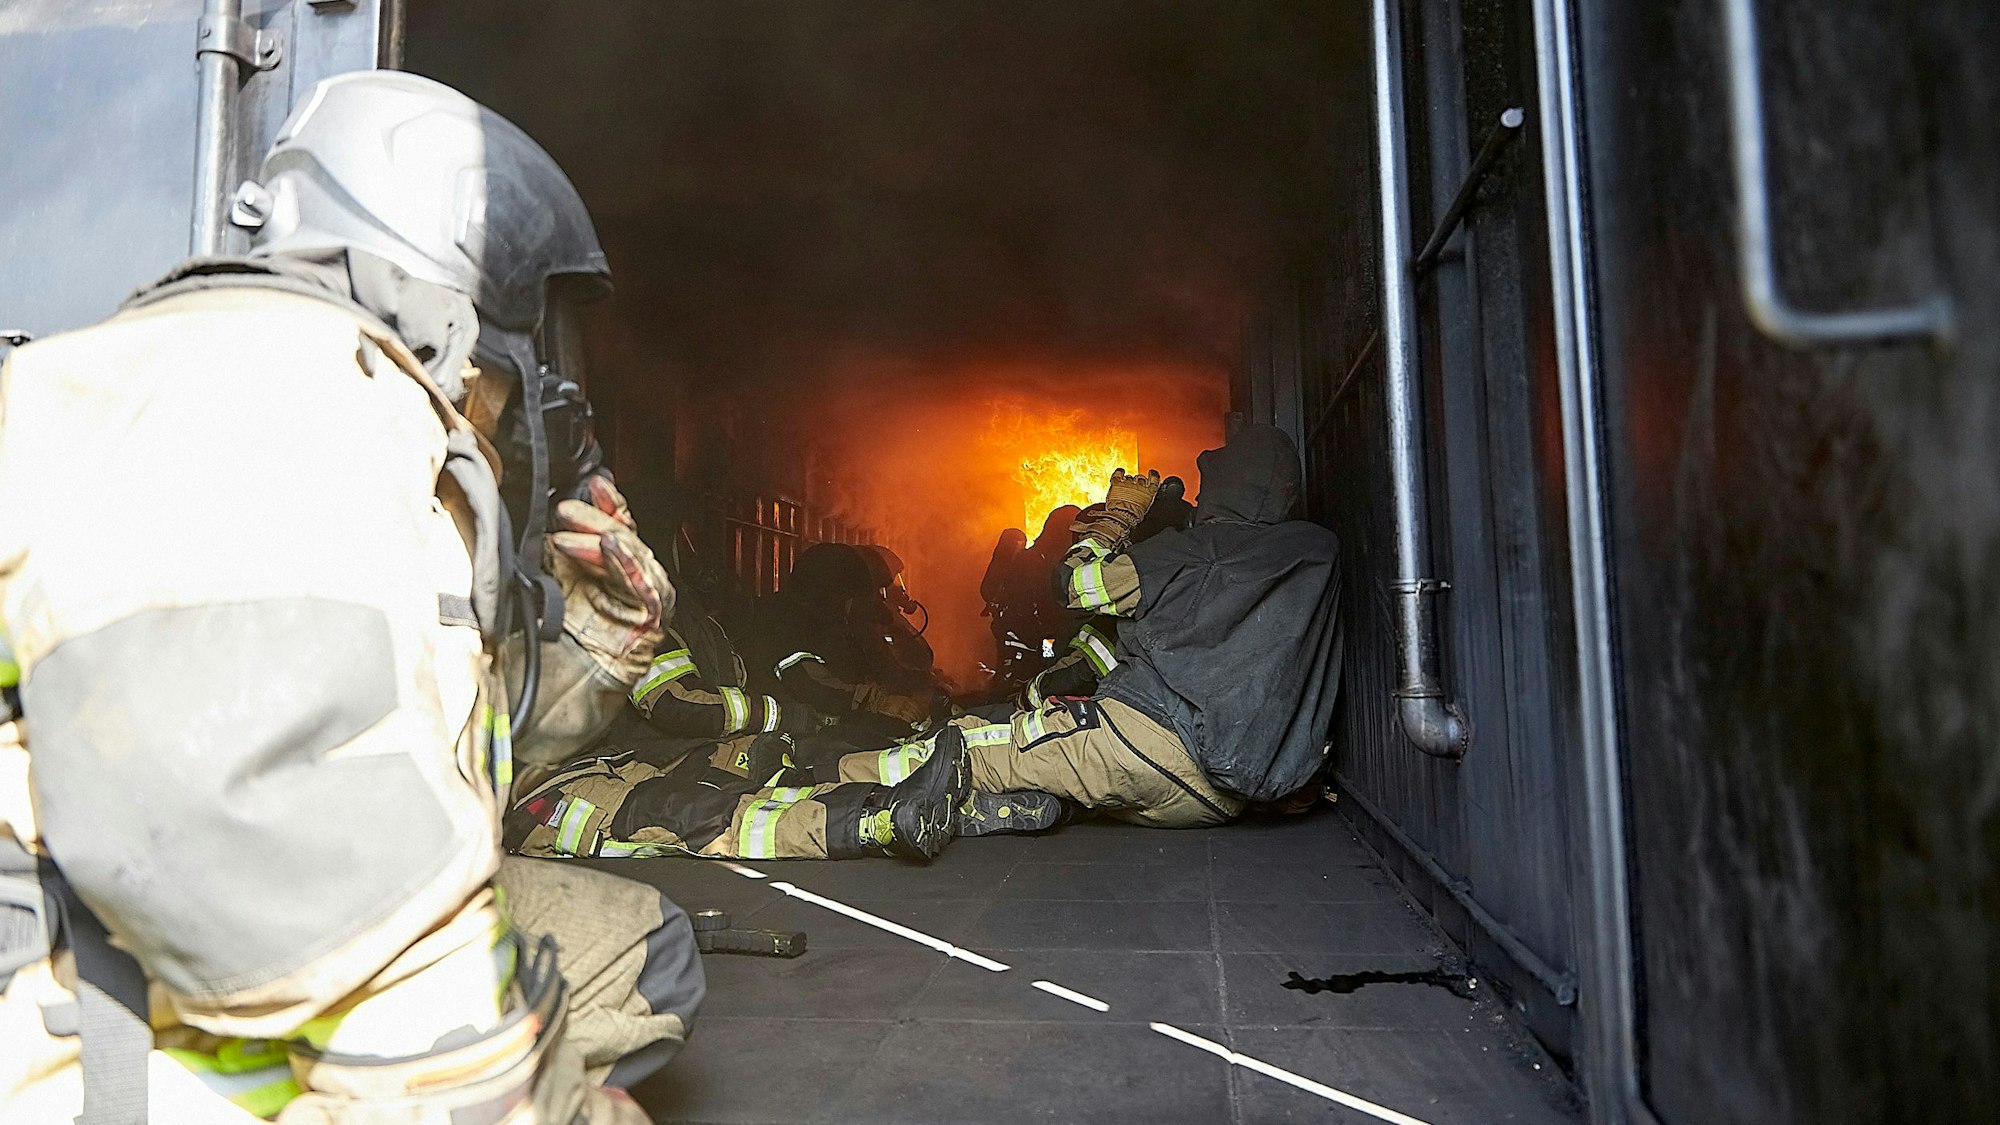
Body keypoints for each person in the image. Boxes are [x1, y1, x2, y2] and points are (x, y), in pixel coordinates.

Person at [1, 71, 700, 1123]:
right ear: (462, 301)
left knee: (642, 948)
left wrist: (601, 631)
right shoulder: (265, 396)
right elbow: (282, 863)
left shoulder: (341, 397)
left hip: (193, 920)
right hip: (75, 1007)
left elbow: (416, 744)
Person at [824, 426, 1342, 828]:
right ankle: (1000, 811)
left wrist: (1114, 523)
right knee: (1054, 774)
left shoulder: (1187, 554)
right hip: (1220, 799)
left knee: (971, 746)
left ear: (1229, 486)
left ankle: (831, 778)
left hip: (1144, 748)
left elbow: (1071, 587)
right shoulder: (1316, 552)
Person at [504, 577, 1063, 863]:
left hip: (639, 762)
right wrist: (781, 713)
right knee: (707, 814)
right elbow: (675, 703)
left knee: (784, 768)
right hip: (552, 795)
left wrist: (781, 729)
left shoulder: (658, 625)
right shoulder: (593, 628)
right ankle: (879, 822)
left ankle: (951, 804)